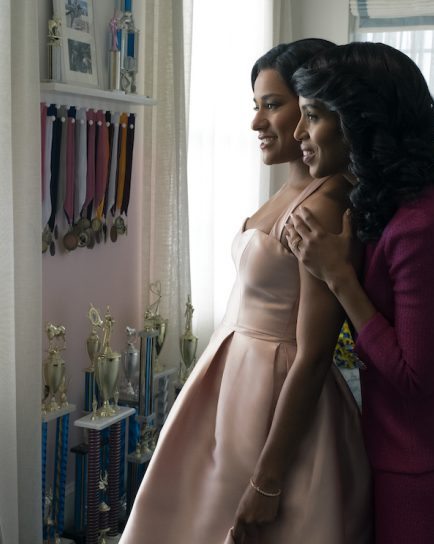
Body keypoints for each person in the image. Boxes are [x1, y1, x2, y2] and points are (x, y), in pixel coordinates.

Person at [121, 38, 371, 544]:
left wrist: (268, 478)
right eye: (255, 106)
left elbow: (316, 353)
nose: (258, 122)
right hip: (234, 389)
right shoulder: (289, 192)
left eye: (273, 106)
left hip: (274, 400)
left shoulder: (323, 208)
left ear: (311, 106)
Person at [284, 42, 434, 543]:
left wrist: (338, 277)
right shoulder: (386, 205)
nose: (299, 132)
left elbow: (414, 374)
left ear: (361, 122)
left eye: (313, 116)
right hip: (411, 445)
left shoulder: (421, 224)